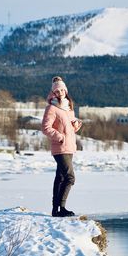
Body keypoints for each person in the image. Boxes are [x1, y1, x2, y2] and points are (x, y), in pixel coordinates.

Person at [42, 76, 82, 217]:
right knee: (70, 177)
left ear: (65, 90)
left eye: (62, 90)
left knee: (60, 177)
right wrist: (60, 137)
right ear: (53, 93)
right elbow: (46, 128)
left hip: (69, 147)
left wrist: (75, 126)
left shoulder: (68, 108)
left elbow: (67, 128)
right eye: (57, 91)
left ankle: (56, 210)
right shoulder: (52, 108)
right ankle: (62, 207)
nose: (60, 93)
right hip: (60, 147)